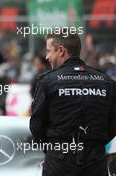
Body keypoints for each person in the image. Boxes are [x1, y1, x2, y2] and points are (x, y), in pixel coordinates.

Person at [30, 30, 116, 176]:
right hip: (95, 162)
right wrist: (93, 145)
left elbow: (37, 125)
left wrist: (54, 149)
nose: (47, 57)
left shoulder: (47, 81)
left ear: (62, 51)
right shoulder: (107, 82)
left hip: (59, 162)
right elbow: (113, 125)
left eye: (49, 51)